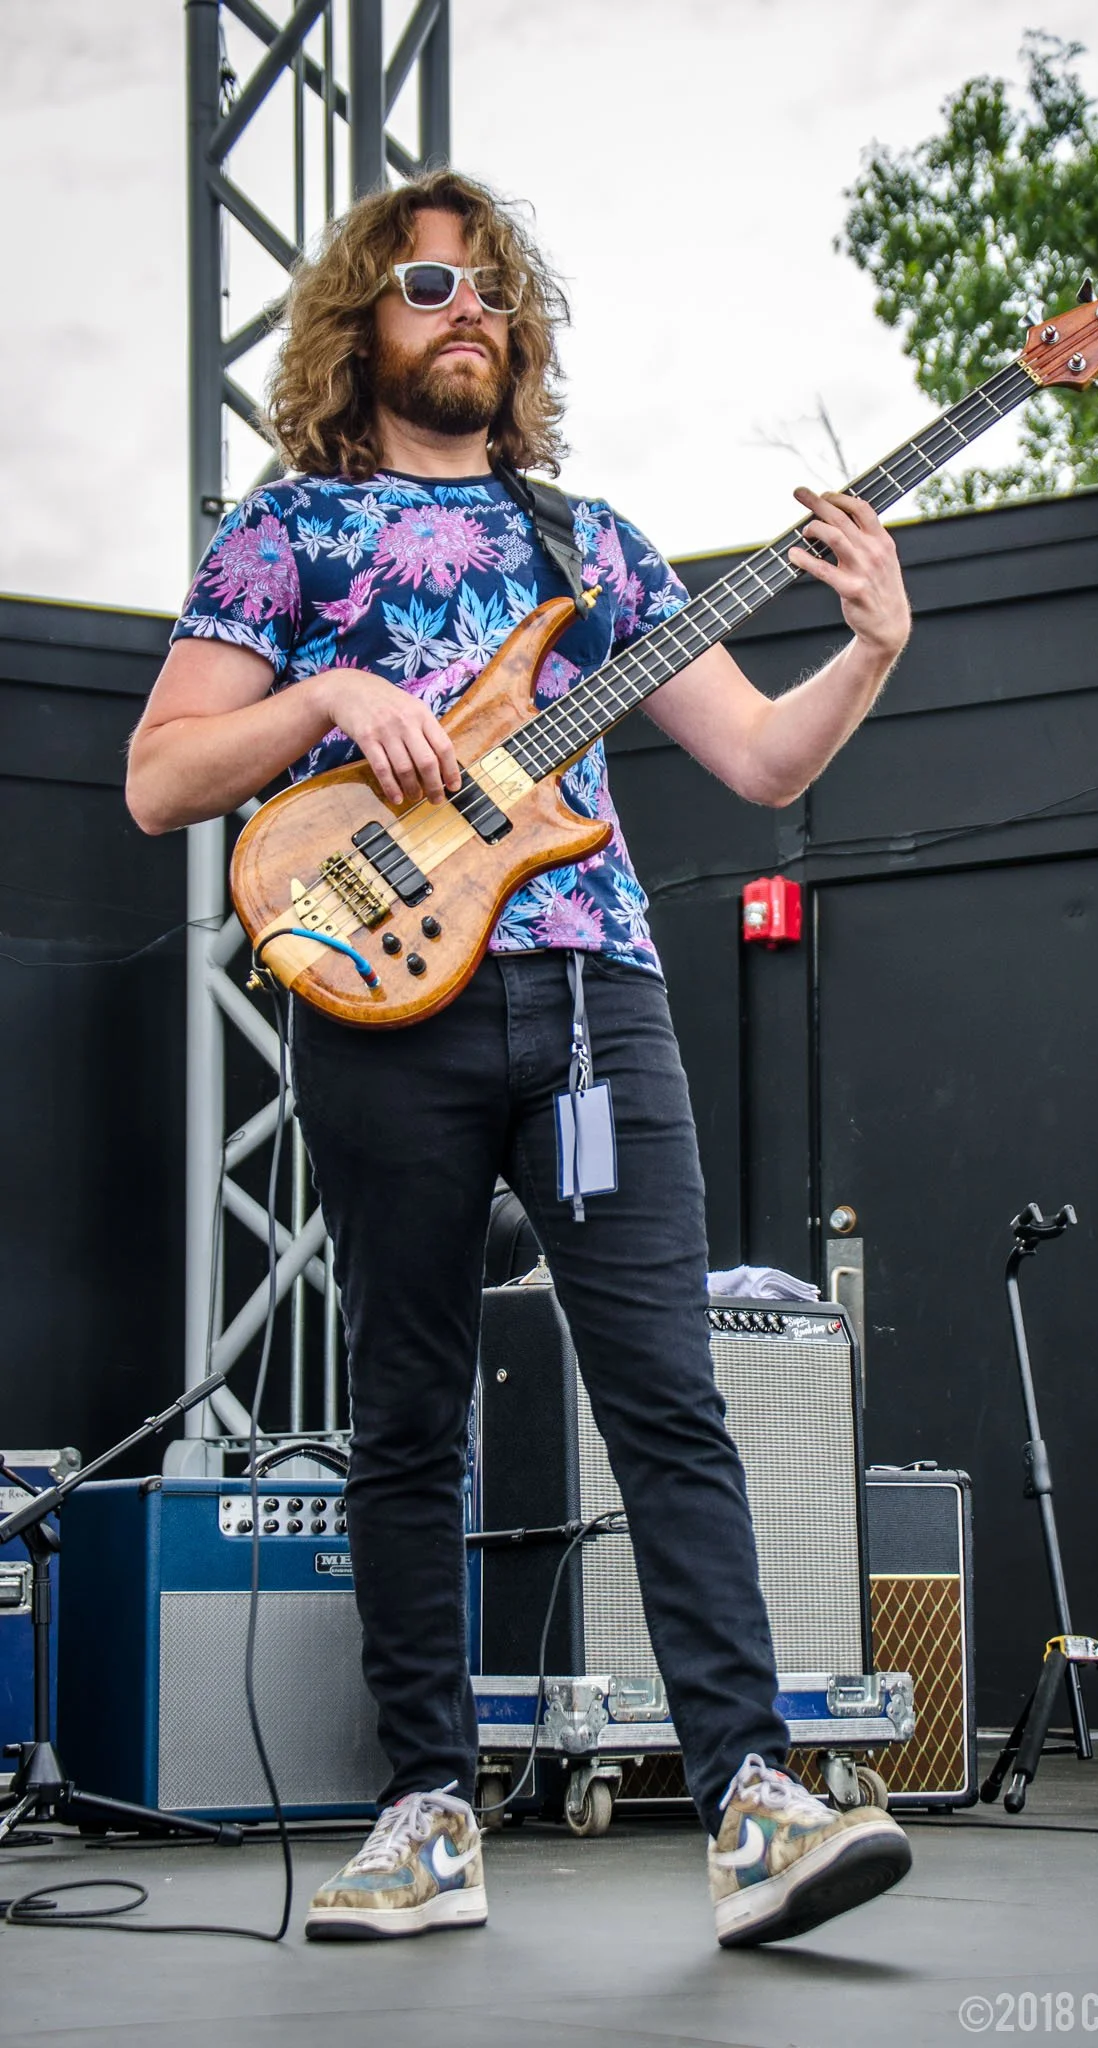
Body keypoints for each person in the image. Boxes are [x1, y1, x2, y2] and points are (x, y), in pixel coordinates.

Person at [126, 169, 914, 1949]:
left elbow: (768, 765)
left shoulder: (595, 545)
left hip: (591, 1004)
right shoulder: (292, 535)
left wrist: (871, 646)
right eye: (424, 282)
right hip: (380, 1002)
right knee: (411, 1418)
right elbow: (163, 778)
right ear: (363, 323)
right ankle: (425, 1818)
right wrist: (329, 700)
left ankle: (756, 1806)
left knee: (669, 1399)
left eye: (489, 289)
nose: (463, 306)